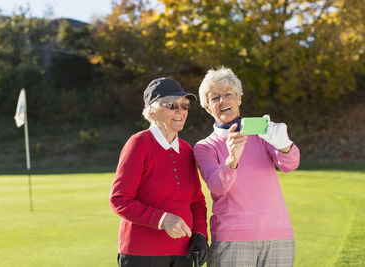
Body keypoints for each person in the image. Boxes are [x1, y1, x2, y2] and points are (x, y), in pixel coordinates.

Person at [193, 66, 300, 267]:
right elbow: (217, 186)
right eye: (215, 98)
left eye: (228, 94)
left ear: (239, 99)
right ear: (207, 107)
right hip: (233, 239)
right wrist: (232, 159)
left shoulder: (262, 132)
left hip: (279, 235)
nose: (223, 101)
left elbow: (290, 165)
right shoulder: (205, 146)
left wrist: (284, 144)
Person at [110, 77, 209, 267]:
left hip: (183, 253)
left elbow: (197, 201)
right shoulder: (138, 144)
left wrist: (200, 234)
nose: (180, 111)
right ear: (152, 113)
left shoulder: (187, 149)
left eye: (184, 105)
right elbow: (119, 199)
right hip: (142, 253)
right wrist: (163, 219)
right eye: (172, 105)